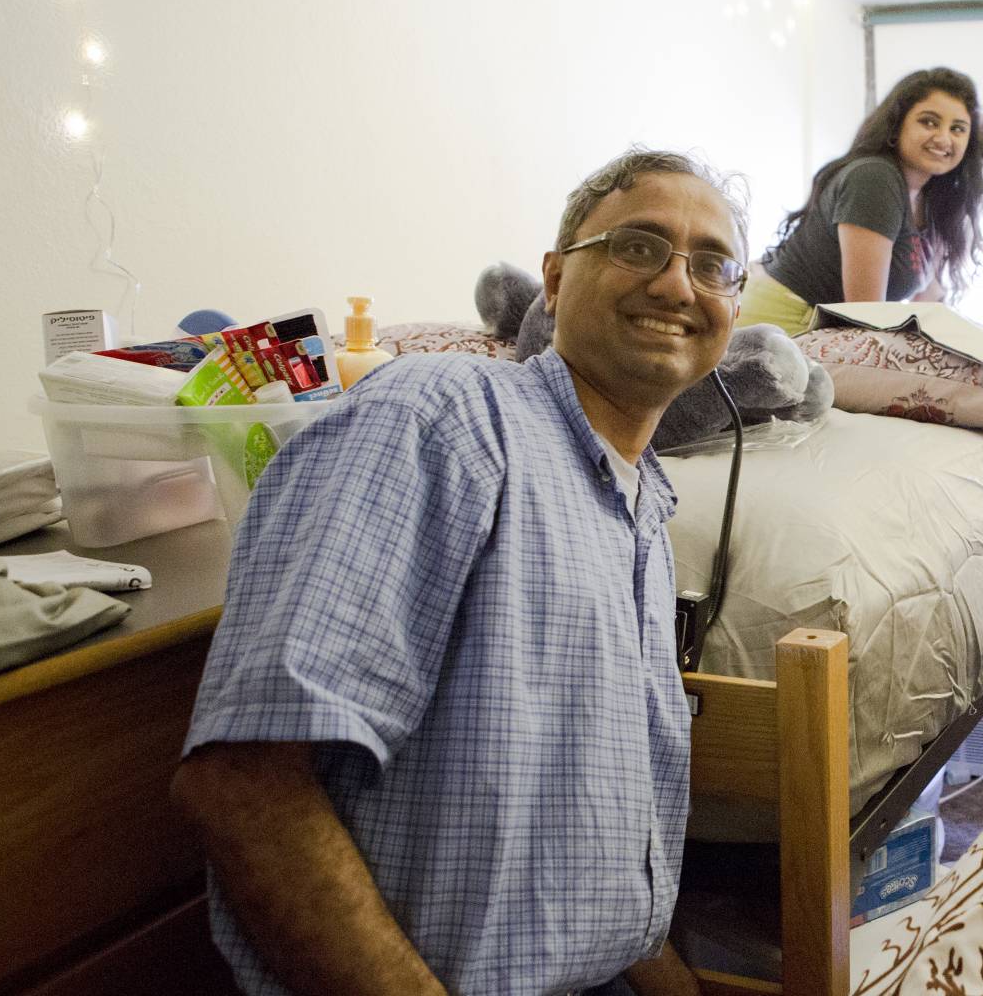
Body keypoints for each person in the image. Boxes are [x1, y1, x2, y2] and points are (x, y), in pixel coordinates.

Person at [168, 147, 748, 995]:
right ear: (554, 281)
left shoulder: (644, 515)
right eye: (637, 246)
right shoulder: (441, 419)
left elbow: (607, 891)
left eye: (712, 265)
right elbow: (243, 788)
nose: (676, 285)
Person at [742, 67, 983, 333]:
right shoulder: (874, 178)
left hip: (821, 330)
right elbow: (865, 313)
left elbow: (927, 306)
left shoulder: (932, 201)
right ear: (897, 125)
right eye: (929, 122)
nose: (944, 138)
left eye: (957, 129)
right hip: (776, 325)